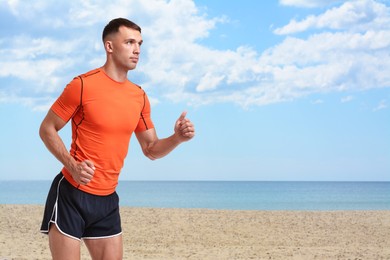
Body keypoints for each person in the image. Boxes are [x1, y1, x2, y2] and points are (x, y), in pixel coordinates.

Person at [39, 17, 195, 259]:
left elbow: (151, 149)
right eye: (130, 42)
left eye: (140, 44)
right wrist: (73, 165)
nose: (137, 50)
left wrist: (177, 138)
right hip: (72, 193)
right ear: (109, 46)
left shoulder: (139, 96)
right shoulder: (81, 85)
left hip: (107, 201)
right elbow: (47, 128)